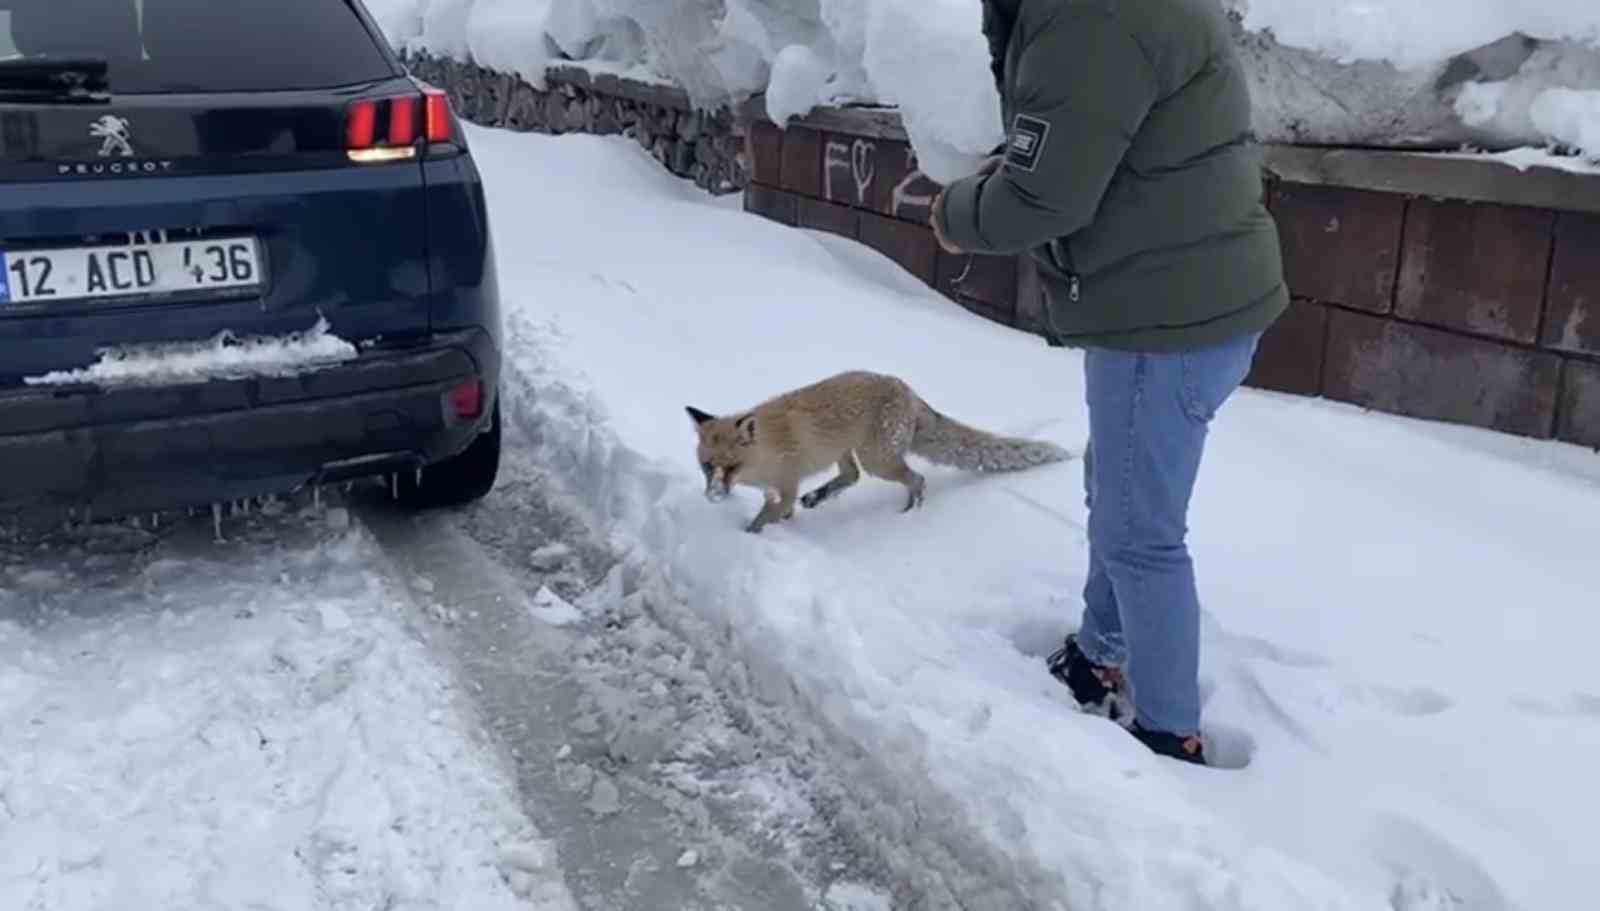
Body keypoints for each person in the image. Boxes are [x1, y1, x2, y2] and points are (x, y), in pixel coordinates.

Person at [929, 0, 1288, 765]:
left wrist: (954, 213)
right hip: (1184, 296)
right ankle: (1102, 651)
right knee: (1119, 486)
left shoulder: (1093, 17)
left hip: (1165, 315)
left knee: (1140, 532)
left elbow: (1044, 196)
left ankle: (1167, 730)